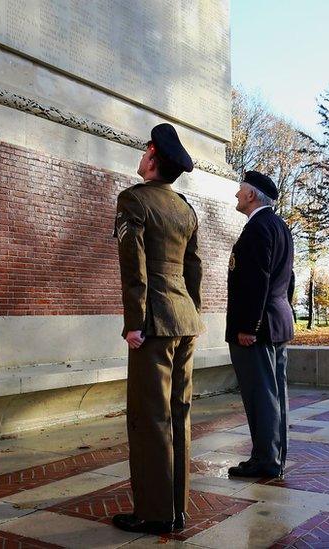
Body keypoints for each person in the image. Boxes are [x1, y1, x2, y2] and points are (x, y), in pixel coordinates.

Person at [111, 123, 203, 535]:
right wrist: (190, 314)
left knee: (149, 419)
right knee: (178, 414)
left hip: (153, 323)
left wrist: (134, 322)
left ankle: (153, 512)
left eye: (145, 149)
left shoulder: (133, 201)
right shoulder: (185, 207)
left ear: (152, 157)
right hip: (184, 319)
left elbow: (134, 267)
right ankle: (177, 508)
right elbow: (193, 269)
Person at [225, 170, 295, 479]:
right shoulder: (280, 226)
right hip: (277, 322)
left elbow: (255, 282)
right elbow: (288, 278)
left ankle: (265, 460)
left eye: (240, 190)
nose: (237, 195)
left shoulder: (257, 228)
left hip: (258, 327)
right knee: (276, 393)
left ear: (252, 195)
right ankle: (274, 456)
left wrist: (248, 327)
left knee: (261, 395)